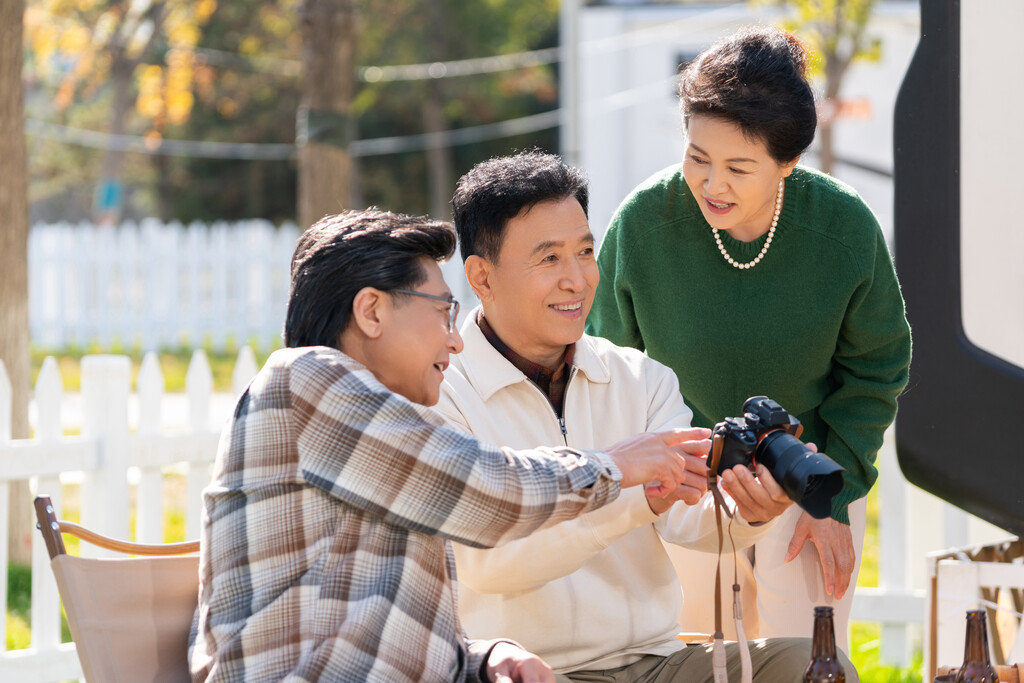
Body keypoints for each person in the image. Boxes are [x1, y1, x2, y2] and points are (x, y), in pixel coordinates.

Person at [188, 208, 702, 683]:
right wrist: (614, 466)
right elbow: (484, 489)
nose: (455, 340)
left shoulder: (383, 436)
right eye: (442, 312)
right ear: (371, 311)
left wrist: (482, 659)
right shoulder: (304, 382)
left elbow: (385, 629)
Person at [436, 150, 843, 682]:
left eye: (585, 252)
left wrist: (752, 509)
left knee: (800, 665)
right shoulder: (444, 395)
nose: (577, 280)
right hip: (531, 671)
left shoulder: (639, 377)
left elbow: (692, 518)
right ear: (482, 278)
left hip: (656, 663)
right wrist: (625, 497)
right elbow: (488, 564)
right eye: (549, 259)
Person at [588, 26, 913, 650]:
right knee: (688, 661)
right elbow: (610, 365)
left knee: (805, 662)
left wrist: (833, 493)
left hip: (807, 478)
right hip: (683, 487)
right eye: (696, 157)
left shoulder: (842, 228)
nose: (712, 184)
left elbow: (878, 366)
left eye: (739, 167)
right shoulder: (644, 223)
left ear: (788, 163)